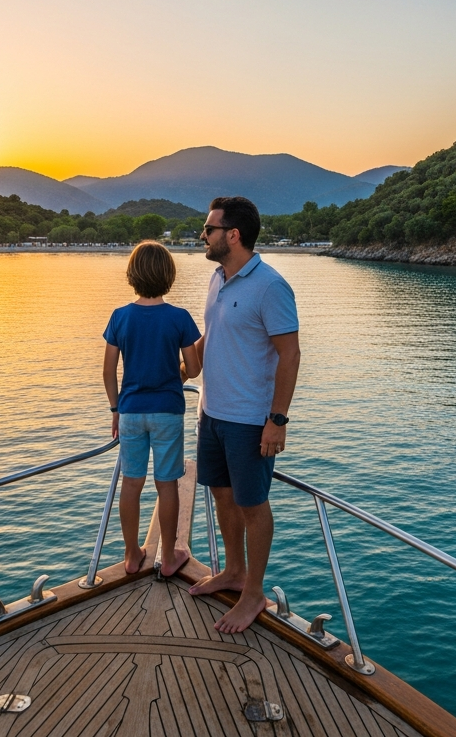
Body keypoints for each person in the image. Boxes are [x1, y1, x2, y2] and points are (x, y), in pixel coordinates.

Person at [185, 196, 300, 633]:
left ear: (232, 235)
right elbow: (212, 334)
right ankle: (233, 571)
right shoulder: (218, 278)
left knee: (253, 504)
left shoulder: (271, 287)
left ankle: (254, 593)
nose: (203, 235)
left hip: (250, 419)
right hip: (211, 412)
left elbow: (290, 355)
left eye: (209, 229)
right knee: (221, 493)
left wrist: (277, 419)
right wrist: (183, 367)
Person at [103, 240, 202, 577]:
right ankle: (170, 558)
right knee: (167, 484)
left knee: (131, 484)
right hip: (167, 412)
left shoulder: (120, 317)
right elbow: (194, 368)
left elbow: (108, 372)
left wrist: (115, 410)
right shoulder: (179, 318)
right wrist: (178, 370)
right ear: (168, 276)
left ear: (132, 275)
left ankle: (132, 555)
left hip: (130, 411)